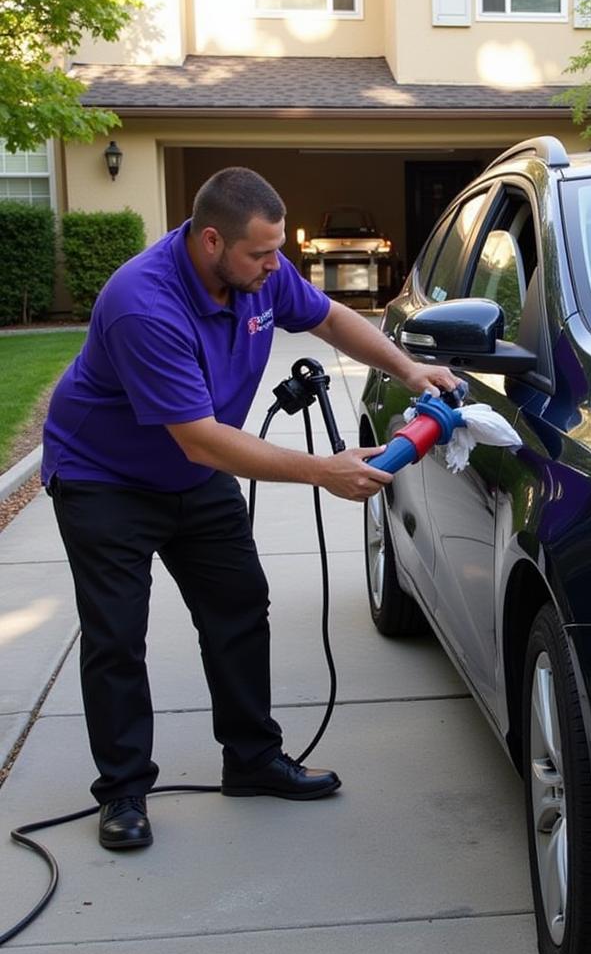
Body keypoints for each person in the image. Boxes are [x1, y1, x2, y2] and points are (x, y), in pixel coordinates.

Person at [41, 167, 457, 850]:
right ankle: (121, 791)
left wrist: (408, 368)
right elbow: (200, 440)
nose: (275, 266)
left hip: (193, 474)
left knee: (237, 608)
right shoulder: (143, 304)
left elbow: (328, 318)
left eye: (276, 252)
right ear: (211, 242)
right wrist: (323, 471)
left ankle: (253, 759)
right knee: (116, 634)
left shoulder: (262, 272)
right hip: (105, 477)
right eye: (261, 255)